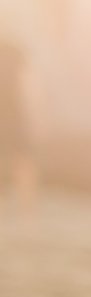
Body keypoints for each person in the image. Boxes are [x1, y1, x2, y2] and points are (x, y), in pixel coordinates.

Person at [0, 38, 34, 209]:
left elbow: (26, 83)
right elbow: (27, 84)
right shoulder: (15, 51)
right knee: (22, 157)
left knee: (20, 157)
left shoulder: (15, 50)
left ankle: (24, 202)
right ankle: (26, 203)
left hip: (13, 112)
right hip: (15, 112)